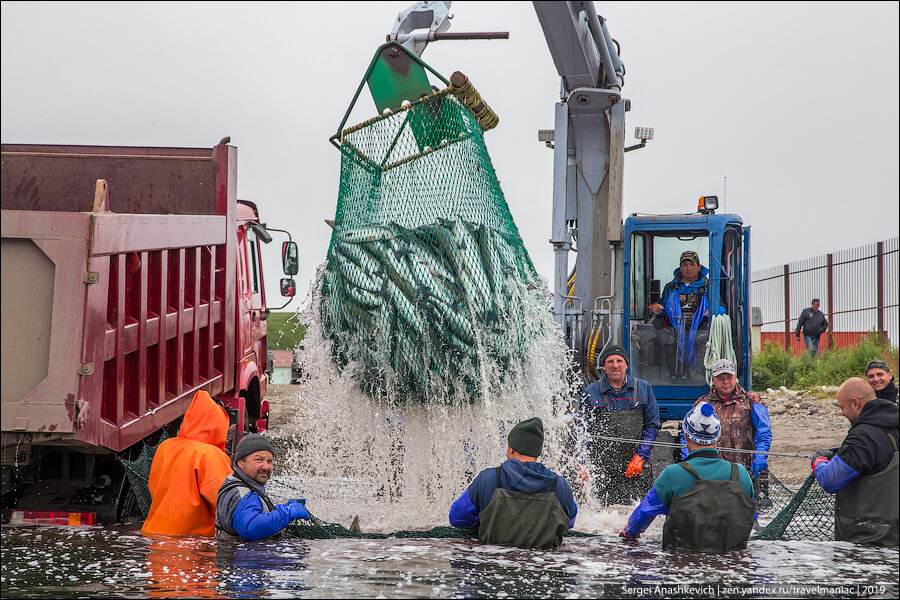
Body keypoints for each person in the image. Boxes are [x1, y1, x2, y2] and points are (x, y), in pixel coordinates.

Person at [620, 402, 756, 552]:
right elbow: (751, 517)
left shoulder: (672, 474)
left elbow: (643, 515)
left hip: (682, 564)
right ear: (718, 437)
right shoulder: (741, 474)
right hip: (732, 568)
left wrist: (627, 535)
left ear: (685, 436)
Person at [449, 417, 578, 549]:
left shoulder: (488, 479)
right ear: (537, 453)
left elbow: (456, 518)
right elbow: (569, 523)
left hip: (494, 565)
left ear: (511, 449)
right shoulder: (560, 486)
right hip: (542, 566)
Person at [811, 377, 898, 546]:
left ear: (855, 403)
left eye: (842, 407)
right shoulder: (893, 425)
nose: (842, 413)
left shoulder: (863, 437)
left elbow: (830, 480)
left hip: (868, 540)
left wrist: (819, 461)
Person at [141, 390, 233, 536]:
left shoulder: (166, 446)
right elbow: (225, 501)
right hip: (190, 538)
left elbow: (154, 486)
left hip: (154, 533)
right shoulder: (209, 454)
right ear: (219, 423)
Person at [579, 345, 660, 504]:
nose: (615, 365)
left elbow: (652, 426)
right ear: (604, 366)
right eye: (610, 361)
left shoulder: (644, 389)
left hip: (636, 467)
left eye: (619, 361)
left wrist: (640, 457)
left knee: (639, 511)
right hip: (602, 469)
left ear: (626, 365)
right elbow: (583, 432)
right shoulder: (590, 393)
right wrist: (583, 463)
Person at [682, 359, 772, 480]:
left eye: (729, 377)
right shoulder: (702, 404)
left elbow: (764, 432)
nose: (726, 382)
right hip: (711, 474)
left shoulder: (752, 400)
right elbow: (687, 434)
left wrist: (761, 456)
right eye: (720, 378)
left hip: (745, 472)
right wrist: (688, 458)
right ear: (713, 380)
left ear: (735, 377)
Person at [215, 433, 311, 541]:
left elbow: (252, 514)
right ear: (240, 463)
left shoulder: (244, 485)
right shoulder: (242, 493)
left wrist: (281, 508)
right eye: (259, 460)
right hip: (242, 557)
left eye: (269, 461)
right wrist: (287, 513)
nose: (265, 467)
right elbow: (251, 528)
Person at [649, 250, 721, 379]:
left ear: (699, 267)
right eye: (685, 265)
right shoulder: (670, 287)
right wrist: (656, 309)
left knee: (704, 340)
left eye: (692, 264)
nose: (688, 268)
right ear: (680, 267)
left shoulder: (709, 286)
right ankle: (671, 377)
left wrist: (714, 310)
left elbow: (722, 308)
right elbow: (661, 309)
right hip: (675, 330)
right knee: (663, 337)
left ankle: (700, 377)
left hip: (700, 329)